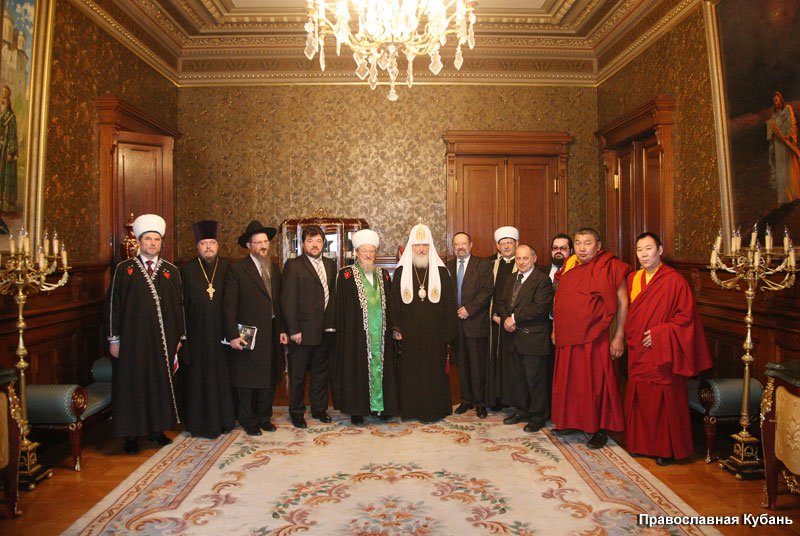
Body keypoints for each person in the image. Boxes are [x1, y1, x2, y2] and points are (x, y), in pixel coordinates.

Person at [624, 232, 712, 465]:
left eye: (648, 248)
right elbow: (632, 313)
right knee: (641, 397)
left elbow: (686, 319)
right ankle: (641, 444)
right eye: (639, 250)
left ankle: (666, 449)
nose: (643, 254)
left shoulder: (674, 281)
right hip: (638, 348)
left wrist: (660, 335)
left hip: (663, 350)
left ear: (660, 250)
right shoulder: (633, 278)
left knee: (664, 399)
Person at [105, 214, 184, 454]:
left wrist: (179, 338)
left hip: (162, 341)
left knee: (159, 383)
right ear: (139, 242)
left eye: (156, 239)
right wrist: (114, 339)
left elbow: (179, 307)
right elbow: (113, 305)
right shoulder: (124, 269)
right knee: (133, 385)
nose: (152, 243)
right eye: (148, 239)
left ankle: (157, 430)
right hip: (132, 342)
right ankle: (132, 435)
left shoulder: (171, 271)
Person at [551, 228, 632, 449]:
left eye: (587, 243)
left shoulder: (610, 266)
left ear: (598, 246)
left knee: (596, 383)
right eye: (578, 243)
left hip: (596, 336)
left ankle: (599, 428)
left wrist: (619, 336)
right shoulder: (570, 267)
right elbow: (560, 301)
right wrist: (556, 329)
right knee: (571, 381)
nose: (582, 248)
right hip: (568, 335)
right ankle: (573, 421)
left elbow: (623, 302)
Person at [223, 220, 287, 436]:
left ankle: (264, 417)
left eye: (265, 242)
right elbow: (229, 306)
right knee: (247, 379)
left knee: (269, 376)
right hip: (248, 333)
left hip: (272, 331)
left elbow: (279, 302)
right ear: (248, 245)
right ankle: (248, 419)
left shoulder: (273, 267)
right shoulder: (237, 269)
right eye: (258, 242)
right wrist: (232, 335)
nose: (263, 246)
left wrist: (282, 329)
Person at [391, 224, 457, 422]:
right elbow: (394, 302)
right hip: (409, 333)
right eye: (417, 245)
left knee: (433, 371)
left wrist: (447, 333)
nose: (421, 249)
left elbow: (449, 303)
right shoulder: (401, 271)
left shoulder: (442, 272)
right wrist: (396, 327)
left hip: (434, 333)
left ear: (431, 246)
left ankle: (434, 409)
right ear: (411, 247)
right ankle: (410, 409)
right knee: (410, 371)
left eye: (425, 245)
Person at [332, 229, 399, 424]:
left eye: (372, 251)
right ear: (357, 253)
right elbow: (340, 308)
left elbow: (391, 303)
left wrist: (395, 327)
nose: (368, 255)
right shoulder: (346, 275)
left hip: (382, 335)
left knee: (384, 369)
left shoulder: (384, 275)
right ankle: (357, 411)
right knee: (357, 369)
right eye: (364, 251)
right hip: (356, 335)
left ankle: (382, 408)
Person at [179, 220, 235, 438]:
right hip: (196, 336)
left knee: (222, 378)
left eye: (212, 242)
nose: (209, 247)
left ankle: (224, 420)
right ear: (197, 247)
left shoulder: (228, 268)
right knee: (198, 380)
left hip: (222, 335)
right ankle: (198, 423)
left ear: (218, 245)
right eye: (204, 243)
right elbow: (180, 305)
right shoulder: (186, 270)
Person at [281, 225, 337, 428]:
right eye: (310, 241)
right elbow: (288, 300)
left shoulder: (331, 264)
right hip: (302, 332)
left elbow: (332, 296)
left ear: (324, 243)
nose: (315, 245)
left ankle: (319, 409)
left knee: (320, 373)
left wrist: (332, 325)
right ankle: (296, 412)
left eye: (319, 241)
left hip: (325, 330)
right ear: (303, 244)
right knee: (297, 376)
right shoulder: (293, 265)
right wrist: (293, 329)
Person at [494, 244, 553, 433]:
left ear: (534, 259)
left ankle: (538, 416)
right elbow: (502, 302)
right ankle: (522, 411)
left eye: (525, 258)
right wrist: (506, 319)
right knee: (517, 378)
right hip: (512, 337)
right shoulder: (511, 278)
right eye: (518, 258)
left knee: (535, 380)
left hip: (532, 338)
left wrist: (514, 318)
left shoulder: (542, 280)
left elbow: (539, 308)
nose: (521, 262)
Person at [446, 232, 493, 418]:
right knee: (462, 364)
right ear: (453, 247)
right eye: (457, 244)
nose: (460, 247)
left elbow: (487, 290)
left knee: (477, 365)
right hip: (456, 325)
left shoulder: (483, 265)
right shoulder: (448, 267)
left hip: (476, 322)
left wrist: (469, 309)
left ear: (470, 245)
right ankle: (466, 400)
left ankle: (480, 403)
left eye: (463, 243)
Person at [487, 226, 519, 411]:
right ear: (498, 246)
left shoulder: (523, 264)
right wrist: (493, 315)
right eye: (503, 243)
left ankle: (513, 400)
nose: (506, 246)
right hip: (494, 321)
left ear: (516, 244)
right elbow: (487, 293)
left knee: (512, 361)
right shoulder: (490, 264)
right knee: (495, 360)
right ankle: (496, 399)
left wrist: (509, 318)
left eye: (510, 243)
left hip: (514, 322)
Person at [767, 91, 800, 204]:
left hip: (786, 142)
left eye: (777, 100)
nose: (775, 103)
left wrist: (789, 136)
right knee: (782, 169)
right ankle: (785, 197)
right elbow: (771, 132)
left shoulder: (787, 109)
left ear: (780, 99)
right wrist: (771, 131)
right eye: (774, 101)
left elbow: (791, 123)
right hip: (778, 145)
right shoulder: (774, 115)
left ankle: (794, 193)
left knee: (789, 167)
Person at [0, 86, 18, 213]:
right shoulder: (1, 114)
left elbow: (13, 135)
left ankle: (6, 205)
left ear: (8, 101)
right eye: (2, 98)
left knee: (5, 175)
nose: (3, 101)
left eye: (5, 99)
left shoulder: (11, 116)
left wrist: (11, 152)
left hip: (6, 151)